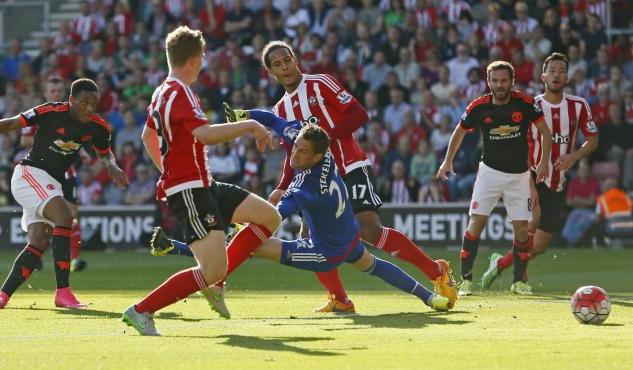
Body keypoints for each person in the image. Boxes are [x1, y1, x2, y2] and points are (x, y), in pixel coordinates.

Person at [151, 40, 457, 313]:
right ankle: (340, 299)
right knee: (311, 241)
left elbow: (358, 114)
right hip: (315, 184)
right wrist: (283, 187)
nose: (285, 67)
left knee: (369, 230)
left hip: (348, 166)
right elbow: (292, 155)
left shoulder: (320, 82)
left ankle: (436, 271)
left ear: (296, 59)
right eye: (277, 65)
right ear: (271, 72)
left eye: (288, 60)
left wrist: (323, 141)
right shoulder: (281, 108)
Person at [150, 122, 451, 328]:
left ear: (317, 155)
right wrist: (254, 119)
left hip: (325, 253)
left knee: (252, 246)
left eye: (303, 152)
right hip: (348, 237)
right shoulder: (327, 157)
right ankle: (428, 297)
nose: (295, 154)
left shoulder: (303, 188)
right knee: (373, 264)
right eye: (295, 148)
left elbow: (276, 214)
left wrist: (248, 211)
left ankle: (179, 250)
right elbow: (278, 121)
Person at [121, 26, 281, 336]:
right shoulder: (180, 92)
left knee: (269, 217)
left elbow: (147, 136)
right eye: (203, 57)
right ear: (195, 60)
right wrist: (250, 125)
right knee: (210, 269)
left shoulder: (161, 91)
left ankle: (215, 284)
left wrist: (165, 170)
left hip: (201, 183)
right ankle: (142, 310)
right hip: (189, 190)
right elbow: (204, 135)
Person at [0, 78, 128, 309]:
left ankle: (2, 295)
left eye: (94, 103)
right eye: (84, 102)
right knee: (64, 217)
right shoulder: (51, 111)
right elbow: (13, 123)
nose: (89, 108)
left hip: (51, 184)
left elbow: (105, 152)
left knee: (39, 241)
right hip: (29, 174)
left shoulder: (98, 126)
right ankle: (63, 292)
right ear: (71, 100)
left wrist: (111, 165)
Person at [481, 53, 599, 291]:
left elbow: (593, 140)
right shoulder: (531, 105)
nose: (557, 75)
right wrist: (530, 183)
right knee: (530, 226)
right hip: (530, 173)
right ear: (543, 76)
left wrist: (574, 156)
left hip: (558, 182)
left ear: (568, 76)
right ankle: (520, 282)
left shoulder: (578, 105)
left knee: (540, 246)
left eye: (562, 71)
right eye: (552, 70)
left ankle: (499, 263)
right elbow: (520, 144)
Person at [437, 60, 552, 296]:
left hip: (519, 176)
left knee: (521, 231)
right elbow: (459, 131)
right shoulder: (479, 106)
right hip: (489, 173)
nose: (499, 85)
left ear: (512, 81)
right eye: (495, 80)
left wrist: (542, 163)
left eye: (504, 80)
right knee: (475, 225)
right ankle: (466, 282)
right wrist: (448, 160)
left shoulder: (526, 103)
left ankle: (518, 282)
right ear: (488, 82)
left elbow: (545, 132)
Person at [20, 77, 89, 272]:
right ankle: (36, 254)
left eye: (60, 90)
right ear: (45, 93)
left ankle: (75, 259)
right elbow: (24, 140)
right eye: (53, 91)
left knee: (72, 214)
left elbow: (79, 139)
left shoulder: (73, 115)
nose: (56, 94)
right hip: (43, 173)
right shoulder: (40, 115)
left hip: (68, 173)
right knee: (43, 216)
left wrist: (81, 152)